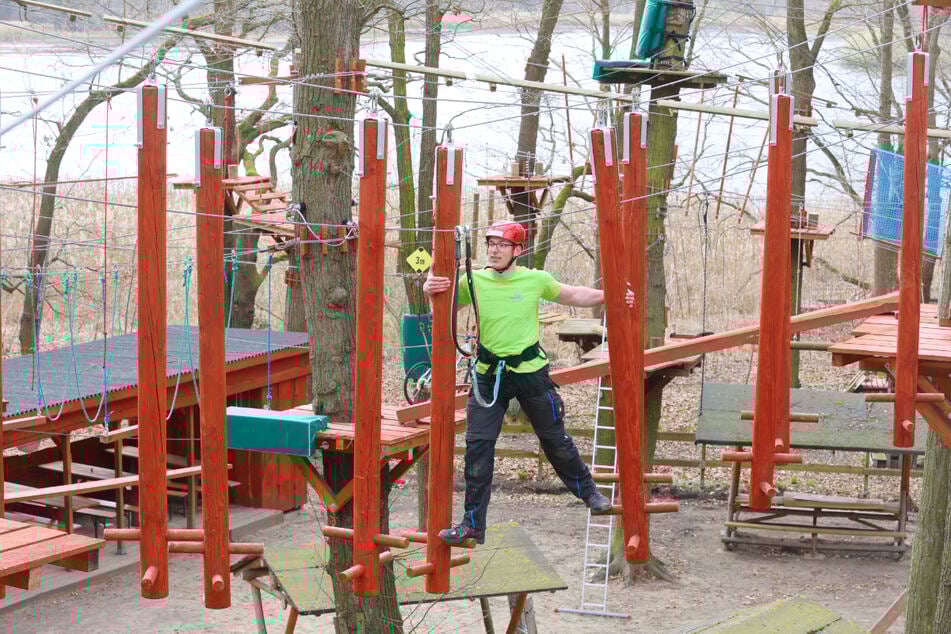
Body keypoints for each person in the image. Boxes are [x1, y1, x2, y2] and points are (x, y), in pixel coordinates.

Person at [423, 221, 634, 545]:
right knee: (478, 448)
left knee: (555, 440)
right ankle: (472, 525)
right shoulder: (473, 281)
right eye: (491, 244)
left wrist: (613, 295)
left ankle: (590, 494)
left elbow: (573, 294)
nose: (494, 250)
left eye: (502, 245)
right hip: (489, 374)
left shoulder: (535, 279)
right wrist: (429, 288)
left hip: (530, 372)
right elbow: (442, 305)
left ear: (517, 250)